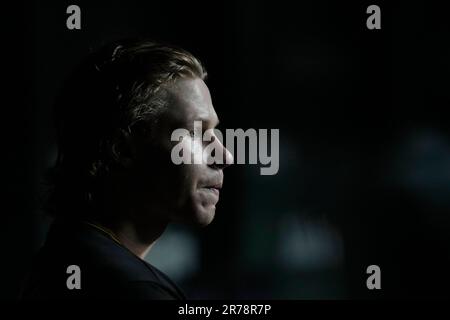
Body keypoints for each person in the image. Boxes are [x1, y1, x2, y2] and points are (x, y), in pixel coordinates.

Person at [20, 39, 233, 299]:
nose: (224, 155)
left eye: (214, 131)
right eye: (196, 132)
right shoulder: (132, 290)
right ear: (122, 148)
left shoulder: (60, 260)